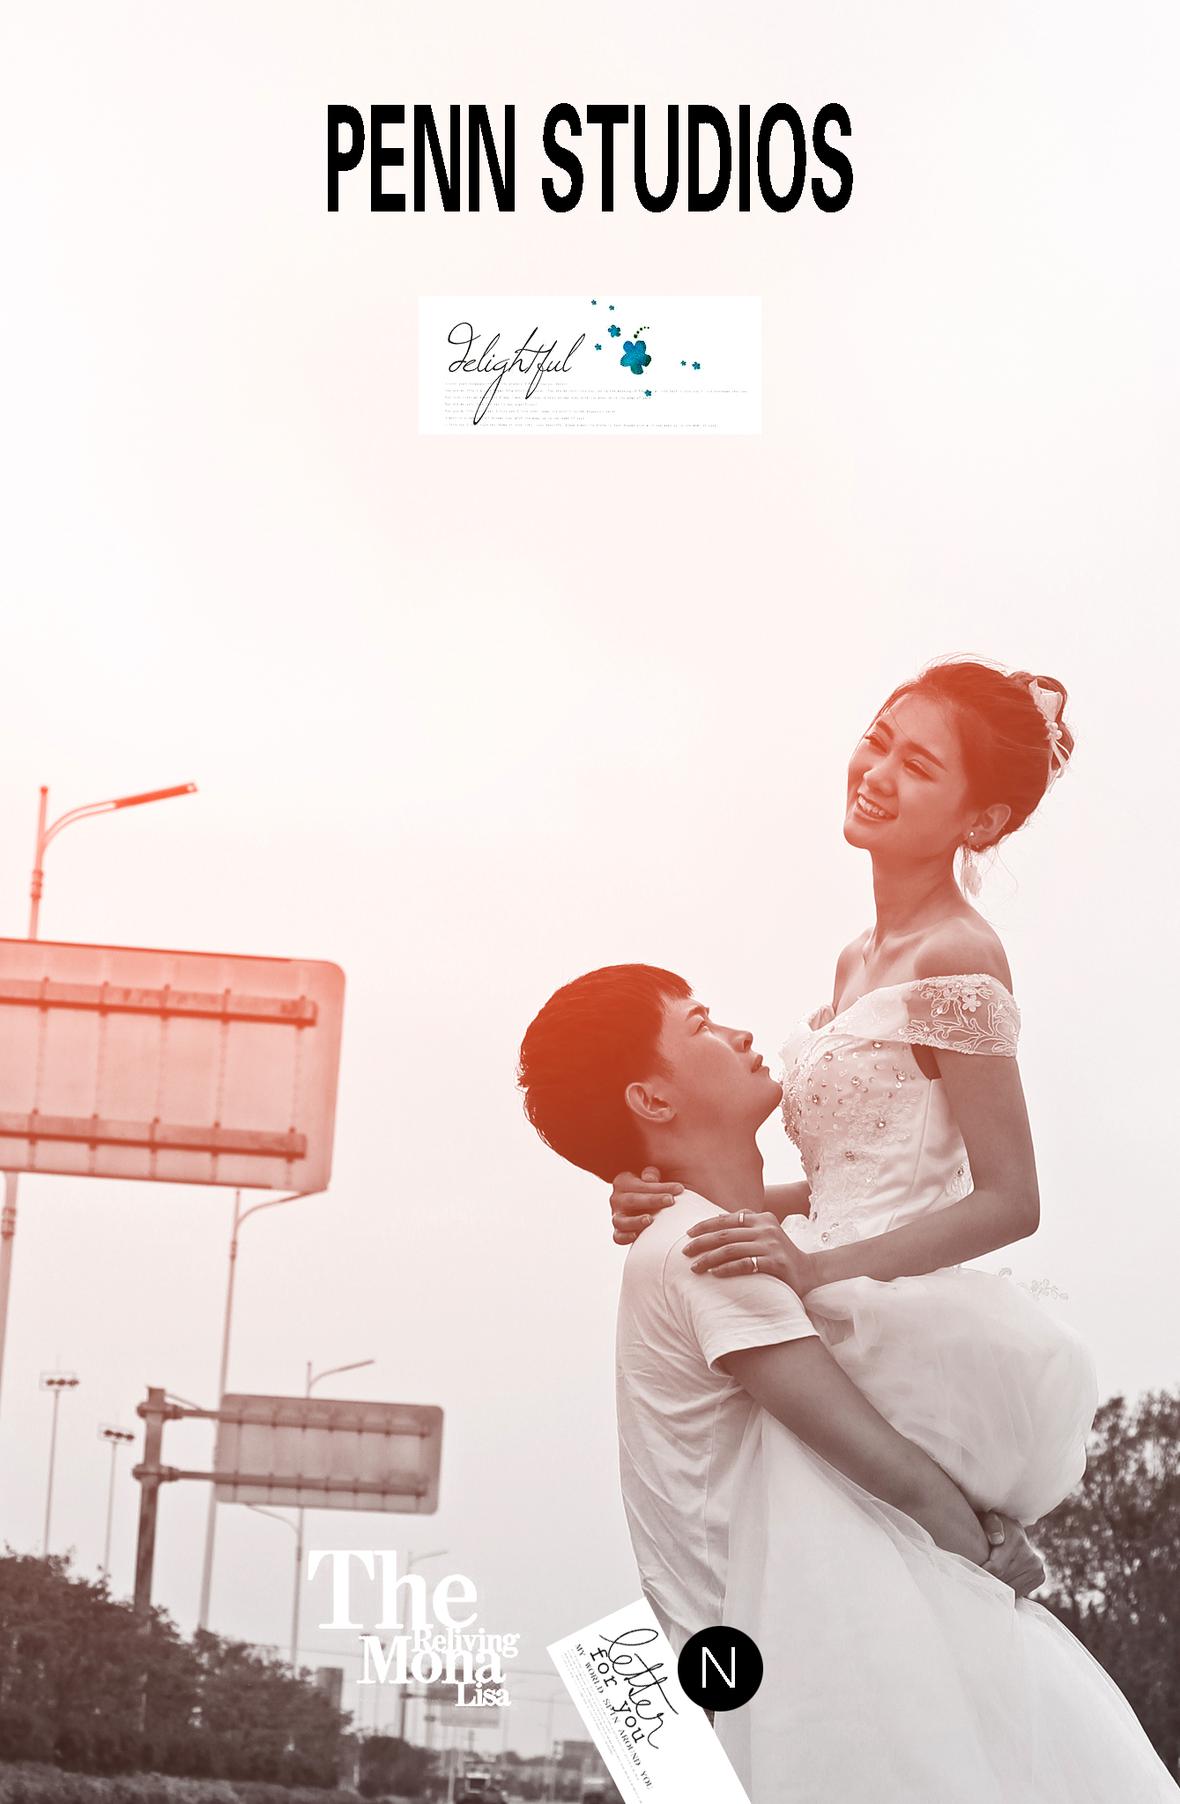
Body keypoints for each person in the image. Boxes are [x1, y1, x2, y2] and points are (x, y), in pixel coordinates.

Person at [519, 963, 1178, 1800]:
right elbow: (869, 1451)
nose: (738, 1034)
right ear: (651, 1099)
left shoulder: (724, 1233)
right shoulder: (710, 1251)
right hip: (772, 1670)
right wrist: (991, 1552)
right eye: (700, 1024)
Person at [610, 658, 1098, 1527]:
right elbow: (846, 1183)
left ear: (981, 819)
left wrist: (816, 1269)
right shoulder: (854, 959)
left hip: (886, 1324)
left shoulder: (959, 956)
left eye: (919, 766)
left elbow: (1011, 1201)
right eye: (879, 742)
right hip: (817, 1299)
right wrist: (680, 1197)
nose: (877, 774)